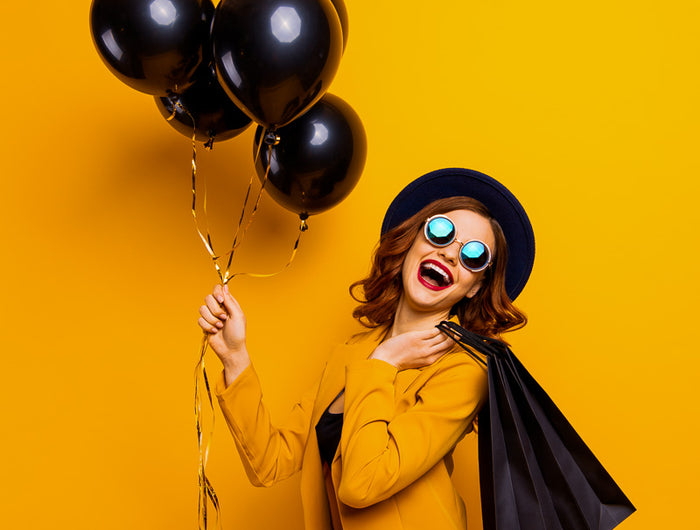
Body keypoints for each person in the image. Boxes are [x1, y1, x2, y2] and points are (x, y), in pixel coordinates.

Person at [197, 168, 536, 530]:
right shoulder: (353, 352)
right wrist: (234, 356)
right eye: (441, 232)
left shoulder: (464, 372)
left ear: (474, 288)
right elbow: (270, 462)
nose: (451, 255)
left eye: (473, 255)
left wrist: (384, 362)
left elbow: (363, 484)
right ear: (411, 243)